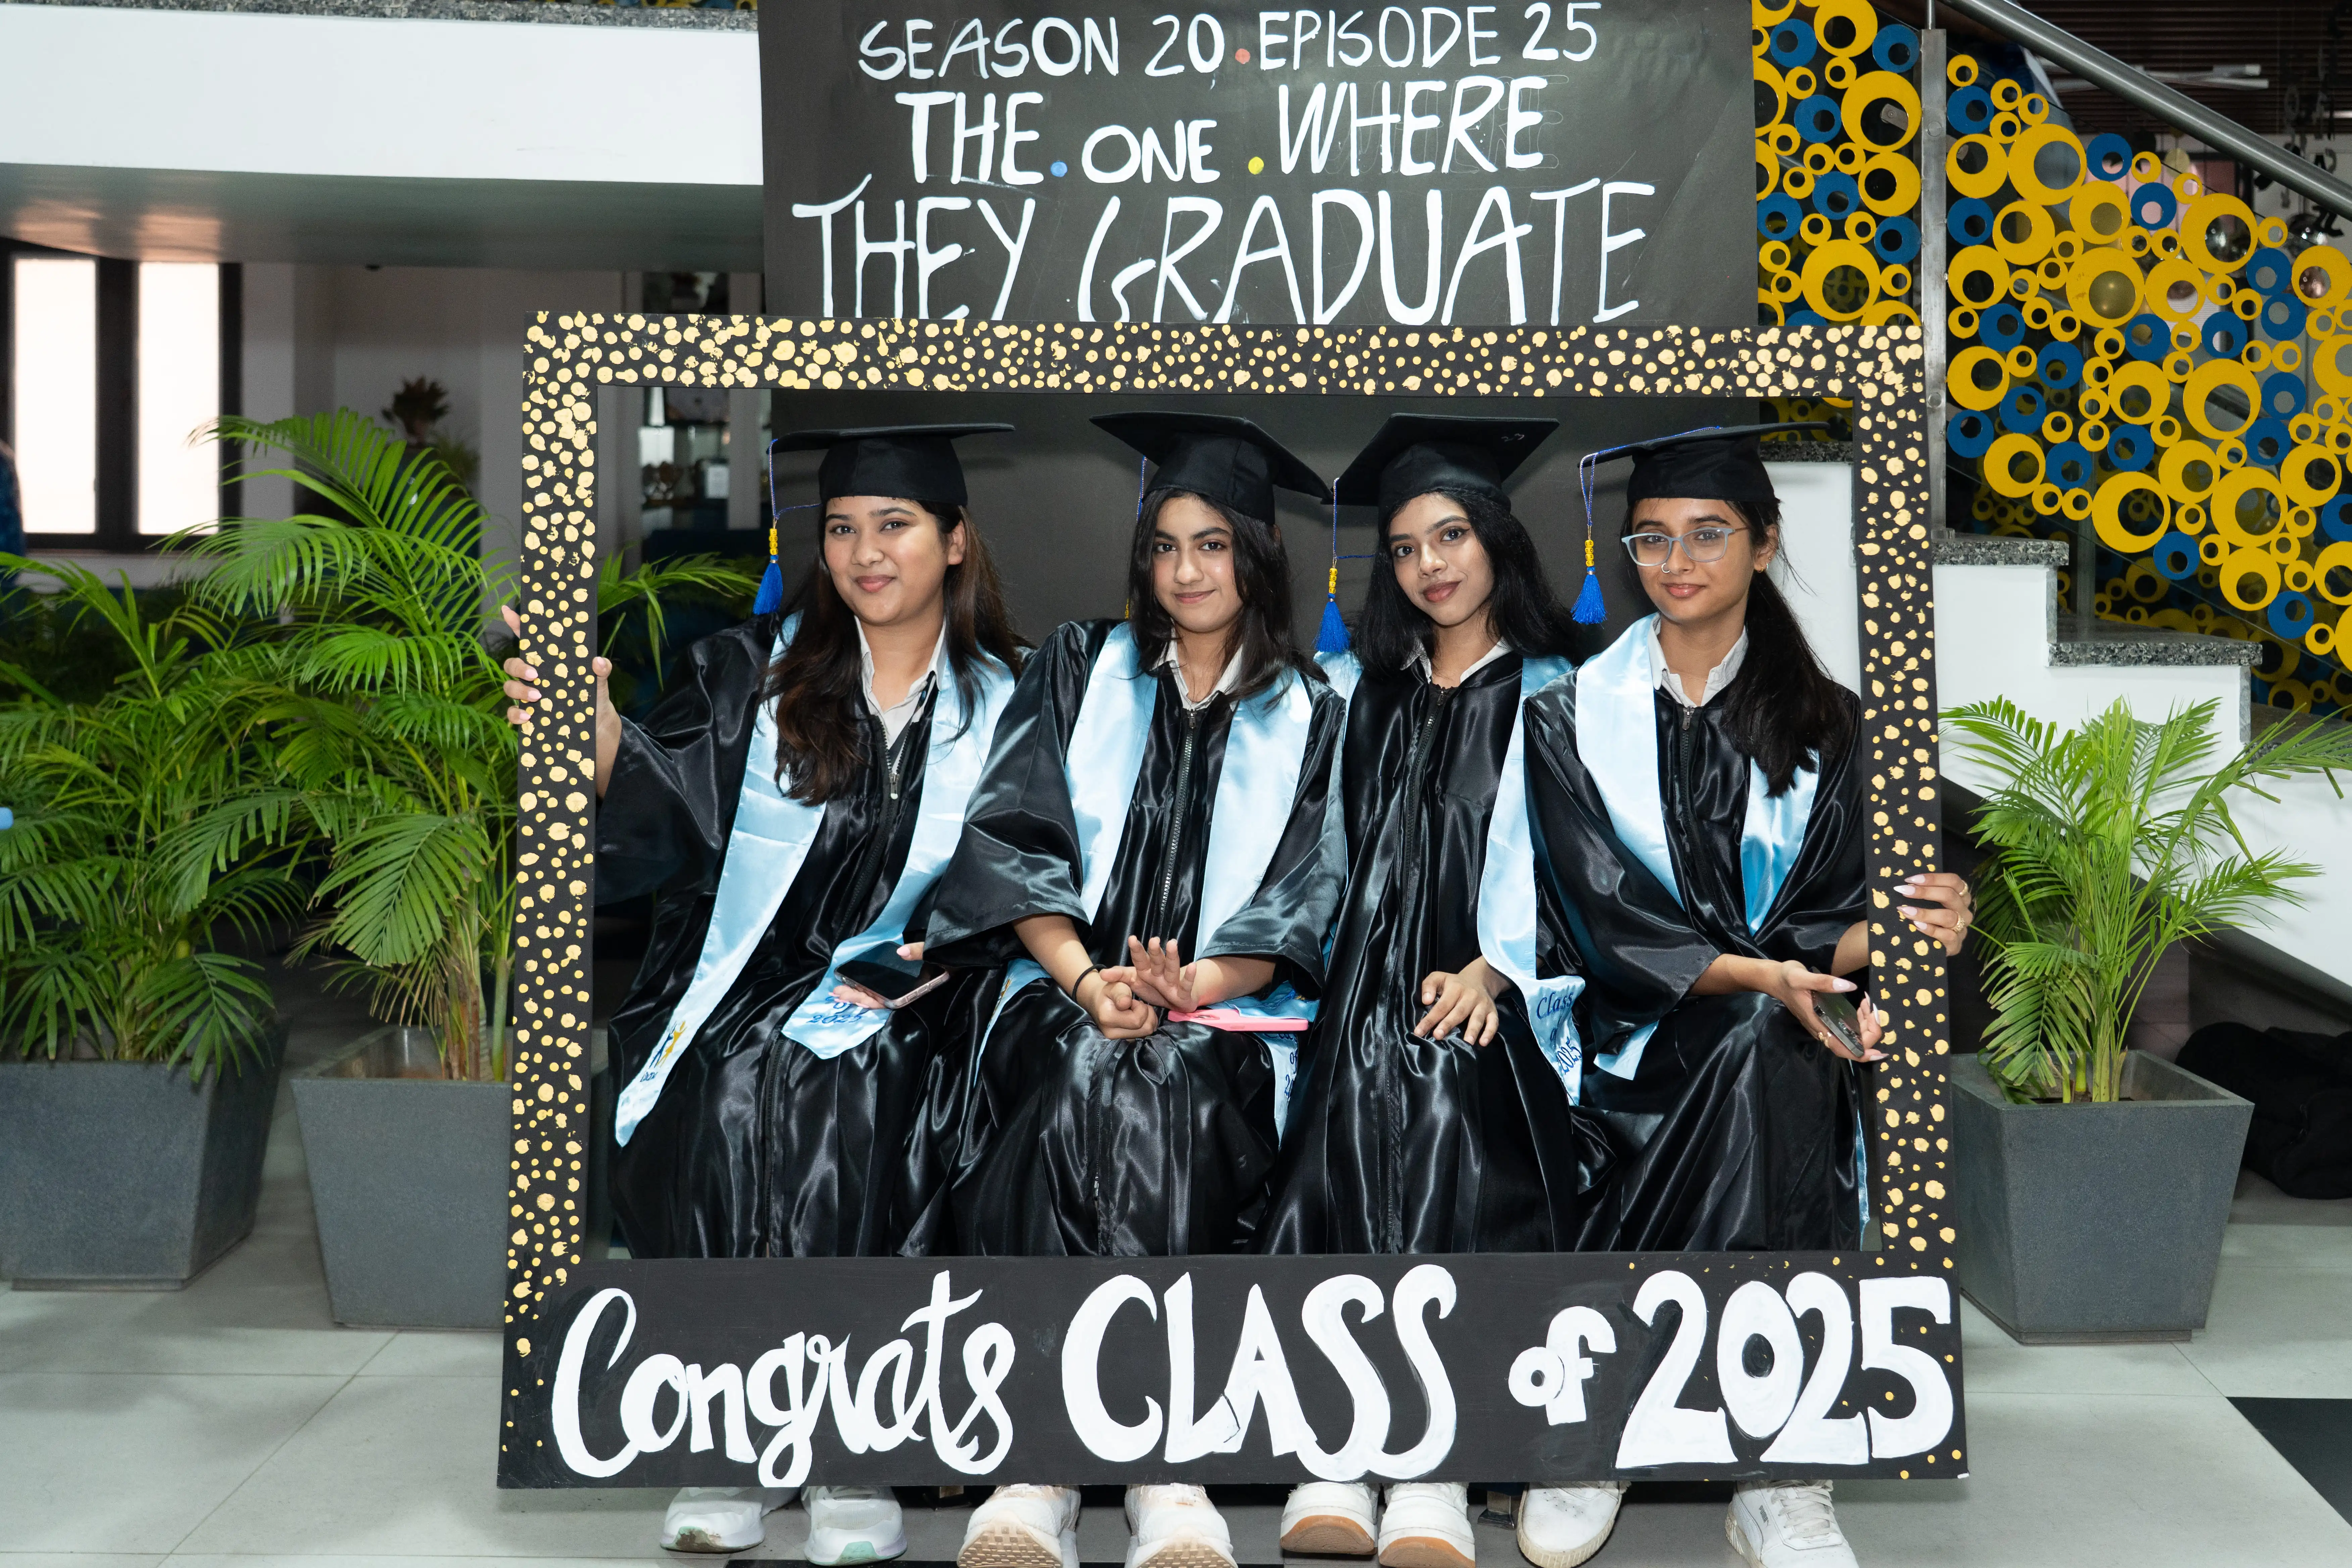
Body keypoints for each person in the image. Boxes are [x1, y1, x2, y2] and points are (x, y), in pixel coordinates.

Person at [501, 423, 1026, 1561]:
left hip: (932, 996)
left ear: (955, 541)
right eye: (842, 529)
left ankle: (851, 1448)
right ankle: (733, 1438)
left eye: (893, 526)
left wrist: (909, 978)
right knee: (734, 1079)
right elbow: (666, 809)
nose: (864, 553)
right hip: (747, 978)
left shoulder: (1015, 699)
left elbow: (1027, 878)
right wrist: (585, 729)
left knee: (849, 1081)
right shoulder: (755, 671)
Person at [1515, 424, 1974, 1568]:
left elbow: (1866, 918)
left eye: (1710, 534)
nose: (1678, 561)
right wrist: (1764, 979)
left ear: (1764, 546)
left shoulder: (1838, 725)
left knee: (1765, 1042)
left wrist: (1932, 922)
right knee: (1749, 1038)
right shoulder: (1574, 716)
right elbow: (1598, 912)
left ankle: (1619, 1433)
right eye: (1653, 538)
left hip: (1787, 1028)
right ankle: (1777, 1454)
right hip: (1630, 1027)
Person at [922, 412, 1349, 1568]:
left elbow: (1306, 896)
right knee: (1091, 1059)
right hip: (1056, 989)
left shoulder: (1316, 709)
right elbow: (1012, 844)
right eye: (1164, 547)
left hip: (1232, 1013)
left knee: (1160, 1074)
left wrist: (1194, 983)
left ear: (1257, 555)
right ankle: (1066, 1462)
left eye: (1212, 546)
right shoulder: (1079, 667)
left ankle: (1140, 1460)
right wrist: (1089, 978)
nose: (1184, 572)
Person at [1256, 414, 1672, 1568]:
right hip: (1353, 987)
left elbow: (1609, 878)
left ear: (1497, 540)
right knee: (1358, 1072)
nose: (1430, 565)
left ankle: (1431, 1455)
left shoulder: (1568, 694)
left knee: (1441, 1085)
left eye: (1451, 535)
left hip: (1515, 995)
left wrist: (1502, 968)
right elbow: (1304, 865)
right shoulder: (1353, 693)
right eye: (1402, 548)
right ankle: (1337, 1444)